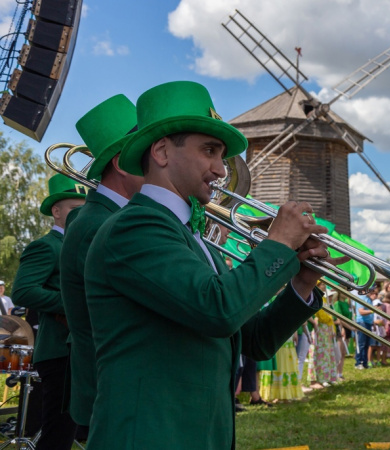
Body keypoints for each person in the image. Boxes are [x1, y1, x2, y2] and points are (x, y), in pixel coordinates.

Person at [83, 81, 333, 449]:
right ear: (163, 151)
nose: (220, 170)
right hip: (150, 436)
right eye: (210, 151)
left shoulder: (192, 236)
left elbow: (256, 340)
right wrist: (278, 244)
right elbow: (218, 310)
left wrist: (302, 283)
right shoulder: (134, 227)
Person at [59, 95, 144, 439]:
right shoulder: (100, 224)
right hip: (116, 394)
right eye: (148, 155)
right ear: (123, 163)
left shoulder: (104, 217)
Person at [12, 173, 87, 448]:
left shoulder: (79, 245)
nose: (82, 216)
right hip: (58, 349)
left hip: (78, 349)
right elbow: (23, 291)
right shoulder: (47, 246)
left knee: (68, 431)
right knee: (57, 434)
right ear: (56, 212)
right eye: (74, 210)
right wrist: (75, 303)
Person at [354, 290, 376, 369]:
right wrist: (372, 310)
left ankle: (365, 362)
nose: (373, 293)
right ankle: (358, 362)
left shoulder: (369, 299)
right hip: (362, 323)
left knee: (367, 344)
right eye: (372, 291)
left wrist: (372, 323)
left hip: (368, 323)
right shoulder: (362, 298)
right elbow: (361, 311)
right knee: (361, 344)